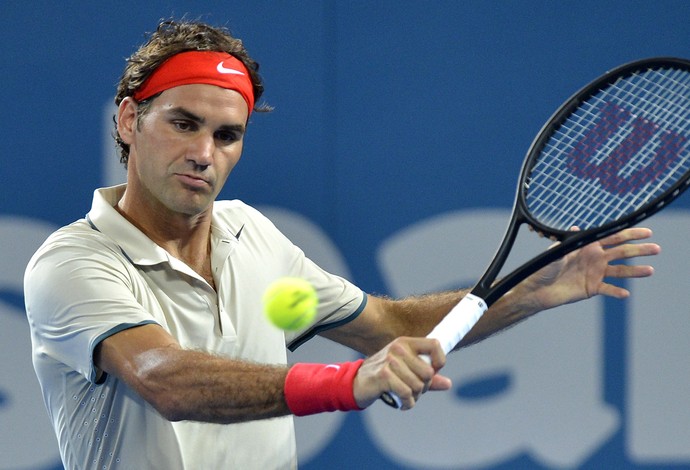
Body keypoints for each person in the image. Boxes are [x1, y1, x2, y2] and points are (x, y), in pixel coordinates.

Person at [23, 19, 661, 470]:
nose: (203, 154)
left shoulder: (255, 235)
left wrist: (531, 292)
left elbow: (386, 325)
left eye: (226, 135)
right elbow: (167, 380)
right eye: (184, 125)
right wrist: (349, 383)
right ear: (130, 121)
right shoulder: (72, 262)